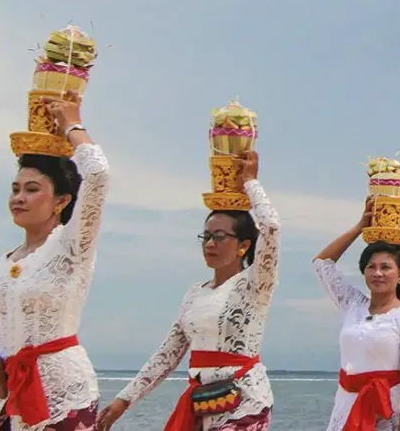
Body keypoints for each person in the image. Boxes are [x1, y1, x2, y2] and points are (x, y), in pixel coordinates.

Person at [97, 151, 280, 431]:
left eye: (220, 237)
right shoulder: (195, 293)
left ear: (243, 246)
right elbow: (168, 354)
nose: (210, 244)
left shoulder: (256, 283)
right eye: (206, 236)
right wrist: (124, 400)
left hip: (246, 403)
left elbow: (271, 227)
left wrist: (251, 183)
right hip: (202, 405)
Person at [0, 91, 110, 431]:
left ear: (61, 200)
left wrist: (72, 124)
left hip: (63, 395)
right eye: (15, 189)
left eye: (31, 189)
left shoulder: (71, 245)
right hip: (7, 398)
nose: (18, 197)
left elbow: (99, 175)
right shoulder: (6, 262)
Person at [312, 197, 400, 431]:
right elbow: (322, 263)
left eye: (385, 267)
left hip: (385, 413)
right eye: (371, 267)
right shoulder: (353, 305)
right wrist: (359, 227)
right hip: (344, 412)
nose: (377, 273)